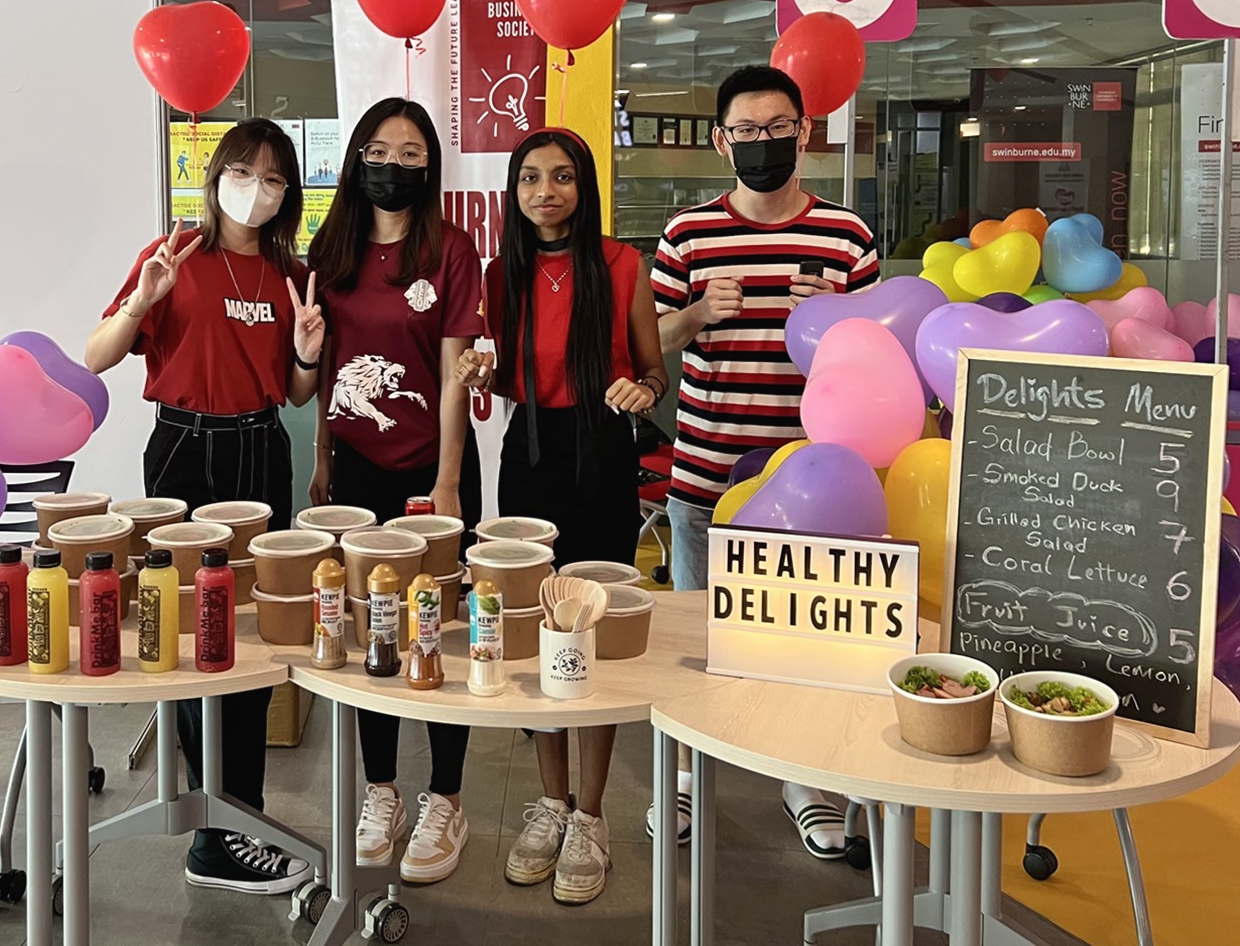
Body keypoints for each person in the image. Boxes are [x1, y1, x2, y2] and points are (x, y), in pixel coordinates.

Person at [85, 118, 323, 896]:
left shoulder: (291, 271)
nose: (258, 188)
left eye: (275, 177)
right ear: (217, 174)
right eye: (245, 171)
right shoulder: (174, 257)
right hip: (185, 448)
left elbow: (293, 393)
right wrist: (140, 302)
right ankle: (216, 830)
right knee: (195, 633)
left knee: (249, 639)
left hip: (259, 450)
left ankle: (240, 814)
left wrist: (310, 351)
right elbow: (95, 357)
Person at [651, 65, 879, 858]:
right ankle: (684, 779)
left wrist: (832, 320)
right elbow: (647, 344)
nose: (763, 143)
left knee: (804, 641)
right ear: (721, 141)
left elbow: (871, 358)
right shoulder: (687, 233)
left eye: (778, 128)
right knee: (696, 640)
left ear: (805, 131)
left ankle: (805, 780)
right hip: (706, 469)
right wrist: (693, 314)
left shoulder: (847, 236)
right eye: (746, 132)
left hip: (817, 478)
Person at [454, 128, 667, 905]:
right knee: (538, 626)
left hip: (603, 456)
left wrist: (643, 390)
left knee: (594, 629)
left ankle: (593, 813)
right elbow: (496, 375)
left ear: (584, 187)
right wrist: (478, 369)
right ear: (514, 191)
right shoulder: (498, 272)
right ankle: (550, 802)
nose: (547, 191)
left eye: (564, 177)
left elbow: (651, 371)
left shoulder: (620, 264)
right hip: (531, 457)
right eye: (532, 178)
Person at [307, 97, 484, 885]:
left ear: (430, 166)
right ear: (357, 158)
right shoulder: (330, 246)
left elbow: (454, 370)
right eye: (381, 149)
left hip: (433, 468)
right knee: (367, 628)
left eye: (413, 153)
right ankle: (380, 790)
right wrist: (319, 461)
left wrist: (446, 481)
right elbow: (321, 369)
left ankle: (446, 797)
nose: (396, 164)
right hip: (353, 470)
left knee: (436, 627)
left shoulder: (450, 248)